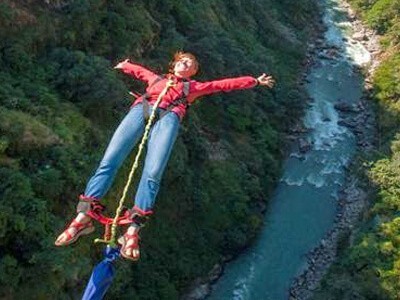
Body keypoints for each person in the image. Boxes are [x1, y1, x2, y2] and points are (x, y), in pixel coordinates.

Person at [55, 51, 275, 261]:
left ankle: (133, 228)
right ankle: (83, 216)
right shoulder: (156, 79)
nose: (186, 63)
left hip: (169, 117)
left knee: (153, 171)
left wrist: (254, 81)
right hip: (142, 109)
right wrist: (125, 65)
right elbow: (139, 71)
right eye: (183, 60)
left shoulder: (193, 88)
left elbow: (222, 85)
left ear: (193, 72)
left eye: (191, 64)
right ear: (175, 64)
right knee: (109, 160)